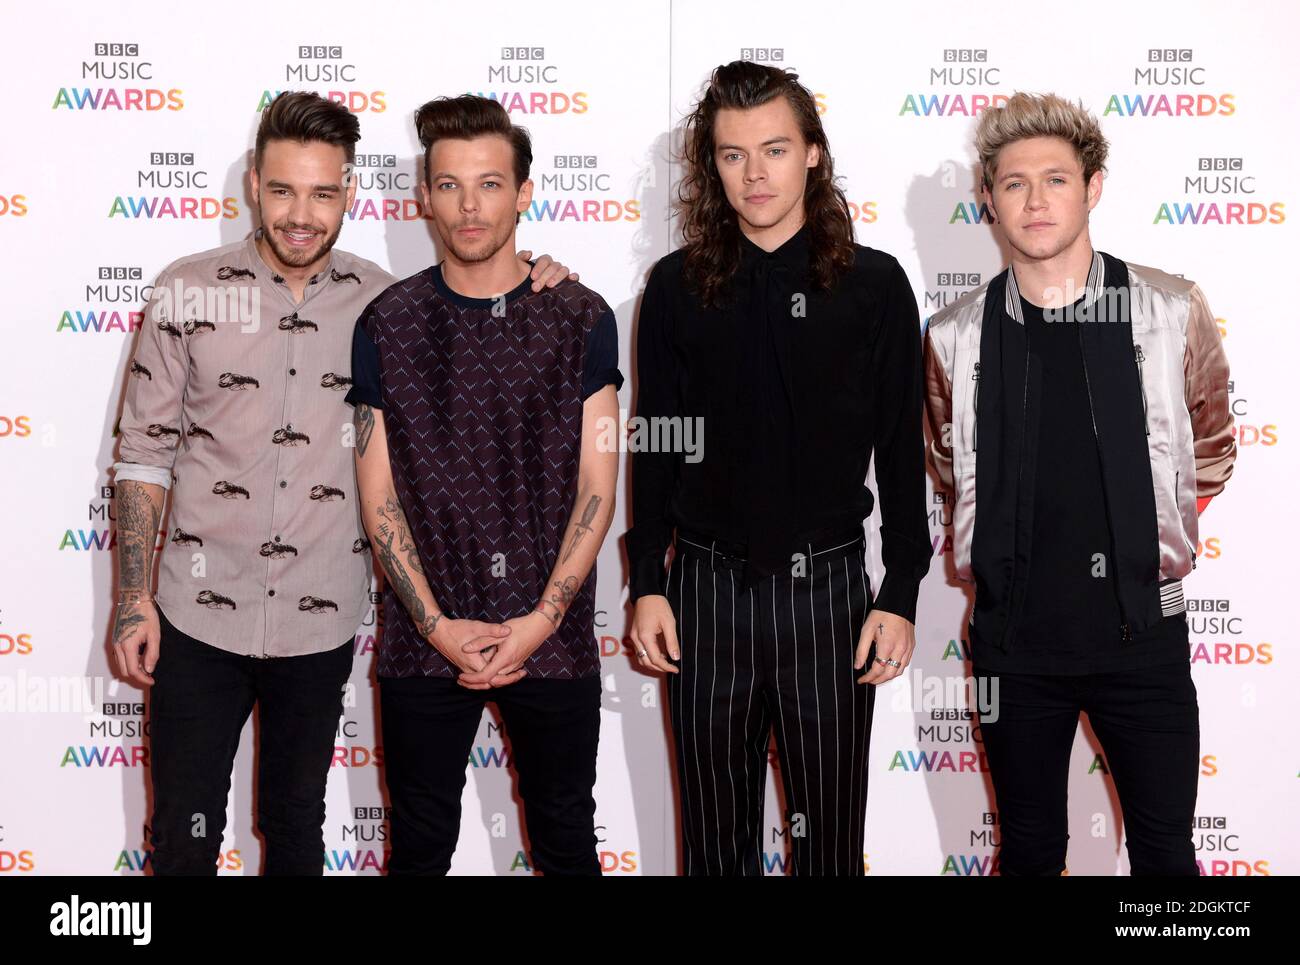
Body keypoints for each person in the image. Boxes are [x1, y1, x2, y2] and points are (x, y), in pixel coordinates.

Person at [110, 91, 576, 875]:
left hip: (318, 623)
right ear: (254, 183)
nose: (302, 214)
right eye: (285, 189)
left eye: (324, 193)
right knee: (183, 841)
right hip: (194, 621)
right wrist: (130, 597)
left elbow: (480, 307)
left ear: (350, 193)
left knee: (295, 833)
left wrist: (538, 276)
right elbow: (142, 455)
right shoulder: (185, 292)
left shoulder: (386, 306)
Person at [626, 61, 932, 875]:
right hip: (703, 593)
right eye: (732, 155)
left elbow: (904, 451)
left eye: (774, 149)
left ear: (814, 155)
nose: (754, 173)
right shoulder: (677, 286)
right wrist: (646, 581)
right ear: (711, 166)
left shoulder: (874, 287)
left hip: (829, 600)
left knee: (828, 849)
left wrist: (900, 591)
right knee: (713, 849)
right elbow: (656, 438)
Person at [922, 92, 1235, 875]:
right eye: (1015, 182)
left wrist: (1145, 529)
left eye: (1056, 179)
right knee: (1028, 852)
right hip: (1010, 644)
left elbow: (1213, 445)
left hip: (1144, 639)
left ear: (1092, 187)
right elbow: (947, 461)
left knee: (1166, 855)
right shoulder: (954, 335)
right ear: (989, 199)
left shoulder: (1169, 308)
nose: (1036, 200)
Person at [346, 94, 622, 875]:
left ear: (525, 191)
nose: (470, 206)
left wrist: (538, 620)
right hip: (422, 639)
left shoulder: (579, 316)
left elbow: (597, 488)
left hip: (553, 637)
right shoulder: (386, 323)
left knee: (567, 841)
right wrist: (437, 624)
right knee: (421, 846)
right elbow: (379, 498)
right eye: (450, 185)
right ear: (424, 195)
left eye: (492, 184)